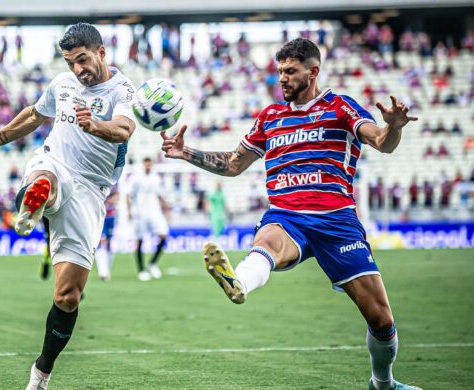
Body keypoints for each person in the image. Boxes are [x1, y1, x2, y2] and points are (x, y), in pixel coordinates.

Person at [161, 38, 421, 390]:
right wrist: (185, 151)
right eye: (279, 71)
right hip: (287, 215)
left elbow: (381, 141)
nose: (282, 78)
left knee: (381, 319)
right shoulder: (269, 117)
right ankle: (239, 282)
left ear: (313, 72)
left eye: (290, 71)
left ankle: (383, 383)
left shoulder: (340, 107)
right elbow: (234, 165)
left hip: (336, 220)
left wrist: (395, 127)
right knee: (266, 242)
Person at [0, 23, 136, 389]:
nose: (78, 69)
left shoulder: (123, 90)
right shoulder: (62, 84)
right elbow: (35, 114)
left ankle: (41, 373)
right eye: (70, 62)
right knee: (45, 178)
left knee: (68, 295)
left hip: (92, 191)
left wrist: (96, 126)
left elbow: (124, 130)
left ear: (101, 52)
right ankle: (36, 198)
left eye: (83, 60)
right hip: (56, 163)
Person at [127, 158, 169, 281]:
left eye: (150, 164)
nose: (148, 166)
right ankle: (141, 270)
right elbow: (129, 195)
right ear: (143, 164)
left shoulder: (156, 178)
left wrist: (166, 208)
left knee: (163, 235)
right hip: (139, 213)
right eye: (146, 164)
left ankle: (152, 263)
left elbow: (160, 194)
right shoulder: (135, 178)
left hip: (154, 211)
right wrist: (130, 211)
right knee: (139, 240)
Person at [96, 185, 119, 281]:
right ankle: (102, 270)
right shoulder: (99, 176)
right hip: (99, 213)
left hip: (111, 214)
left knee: (109, 242)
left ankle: (107, 270)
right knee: (102, 240)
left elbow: (117, 194)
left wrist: (114, 200)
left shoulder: (115, 180)